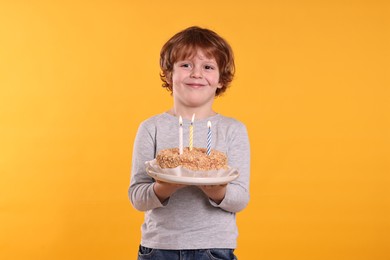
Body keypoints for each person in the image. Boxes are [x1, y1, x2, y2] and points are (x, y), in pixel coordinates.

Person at [129, 26, 250, 260]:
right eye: (186, 65)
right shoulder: (151, 128)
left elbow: (240, 199)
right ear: (168, 74)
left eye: (207, 67)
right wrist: (166, 186)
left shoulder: (233, 130)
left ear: (221, 80)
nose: (196, 73)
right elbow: (137, 196)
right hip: (159, 247)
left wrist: (217, 190)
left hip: (214, 248)